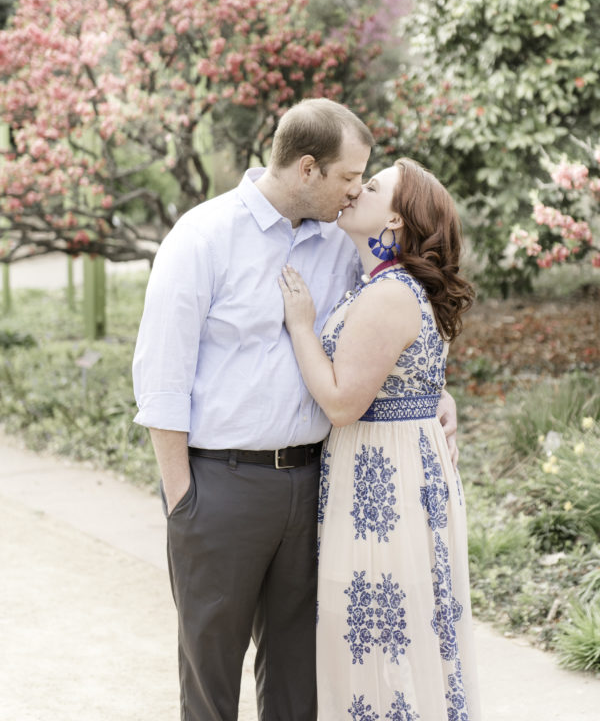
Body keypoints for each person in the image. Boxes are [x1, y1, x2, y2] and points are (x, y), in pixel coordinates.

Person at [132, 99, 459, 721]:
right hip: (221, 485)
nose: (356, 190)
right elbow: (161, 378)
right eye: (348, 177)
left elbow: (379, 334)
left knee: (300, 677)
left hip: (317, 485)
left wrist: (432, 394)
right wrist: (183, 497)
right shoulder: (203, 237)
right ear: (307, 169)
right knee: (211, 675)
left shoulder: (340, 240)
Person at [279, 157, 481, 721]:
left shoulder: (390, 292)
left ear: (395, 221)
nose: (353, 192)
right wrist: (440, 398)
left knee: (380, 640)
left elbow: (343, 403)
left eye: (370, 187)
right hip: (392, 470)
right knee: (394, 634)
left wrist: (300, 326)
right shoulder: (386, 284)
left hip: (383, 487)